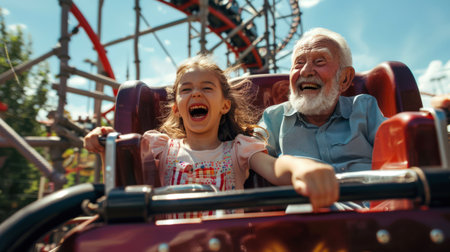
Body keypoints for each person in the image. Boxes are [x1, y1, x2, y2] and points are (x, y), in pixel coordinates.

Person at [84, 55, 338, 215]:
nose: (196, 94)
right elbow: (122, 171)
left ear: (224, 105)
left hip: (224, 240)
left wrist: (302, 169)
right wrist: (104, 142)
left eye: (207, 87)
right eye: (186, 90)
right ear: (177, 108)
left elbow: (276, 167)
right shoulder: (159, 146)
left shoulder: (239, 148)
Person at [258, 28, 386, 175]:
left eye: (319, 61)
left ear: (344, 78)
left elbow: (399, 146)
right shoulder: (273, 118)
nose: (306, 71)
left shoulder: (364, 108)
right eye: (299, 63)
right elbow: (248, 153)